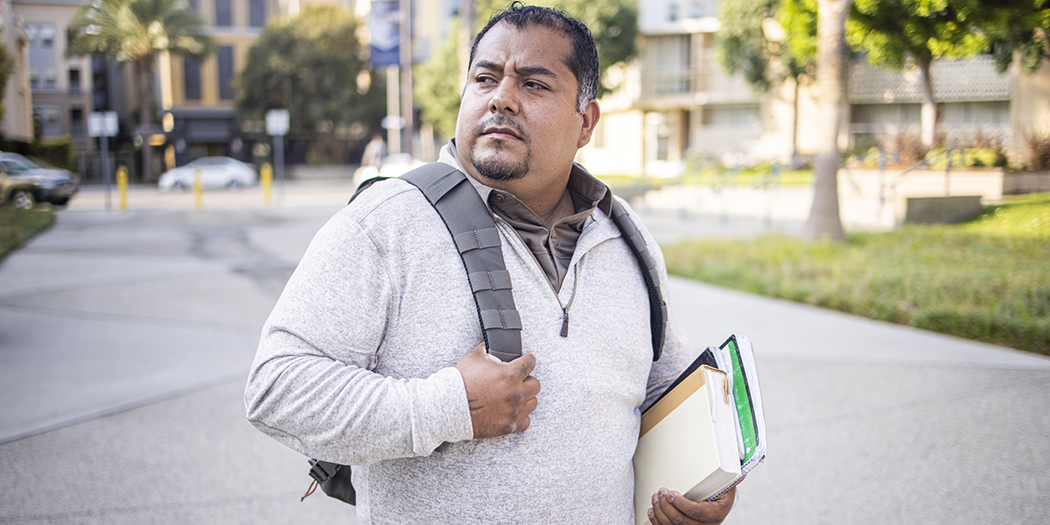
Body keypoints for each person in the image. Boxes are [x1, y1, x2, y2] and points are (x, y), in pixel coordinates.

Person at [244, 4, 737, 524]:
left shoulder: (625, 235)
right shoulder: (387, 222)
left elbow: (663, 388)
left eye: (534, 85)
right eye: (485, 78)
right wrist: (448, 406)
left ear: (585, 121)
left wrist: (700, 487)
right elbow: (278, 388)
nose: (501, 97)